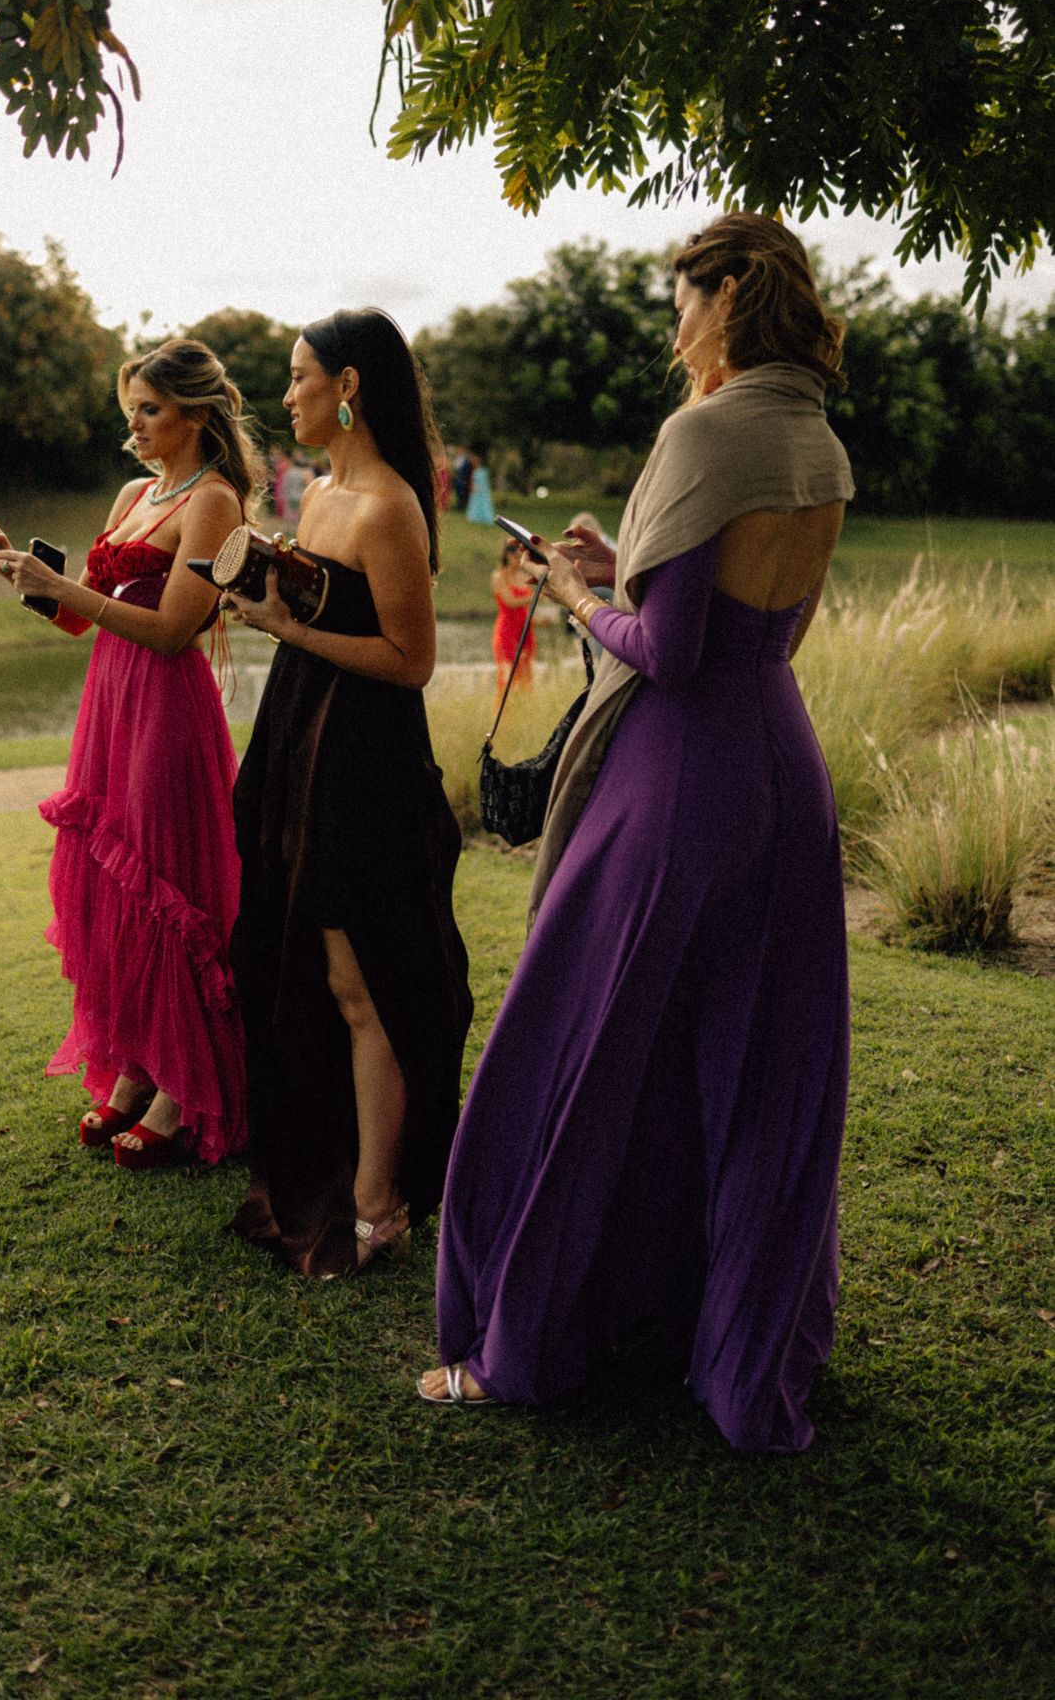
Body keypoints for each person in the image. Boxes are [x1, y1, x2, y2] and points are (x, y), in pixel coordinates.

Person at [420, 212, 855, 1454]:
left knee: (582, 1040)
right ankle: (713, 1332)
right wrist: (624, 575)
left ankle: (530, 1344)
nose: (675, 324)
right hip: (782, 763)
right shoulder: (816, 438)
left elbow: (663, 651)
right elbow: (750, 630)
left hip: (677, 778)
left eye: (682, 299)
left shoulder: (702, 429)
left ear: (727, 300)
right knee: (754, 1063)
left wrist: (573, 596)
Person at [0, 338, 262, 1170]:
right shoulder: (136, 492)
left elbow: (176, 630)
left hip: (165, 708)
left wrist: (66, 588)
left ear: (195, 414)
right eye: (129, 408)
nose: (133, 425)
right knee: (110, 882)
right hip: (109, 702)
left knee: (167, 879)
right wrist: (9, 566)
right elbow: (78, 616)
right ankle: (135, 1065)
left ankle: (185, 1085)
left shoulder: (213, 501)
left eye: (149, 409)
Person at [223, 307, 474, 1277]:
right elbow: (324, 607)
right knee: (306, 967)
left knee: (363, 981)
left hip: (363, 758)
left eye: (299, 377)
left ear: (350, 385)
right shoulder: (321, 492)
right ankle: (332, 1164)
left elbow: (411, 662)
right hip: (300, 731)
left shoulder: (388, 507)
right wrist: (271, 591)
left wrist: (288, 630)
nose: (287, 396)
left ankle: (381, 1198)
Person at [491, 537, 537, 693]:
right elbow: (510, 602)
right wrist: (535, 596)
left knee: (526, 675)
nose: (521, 562)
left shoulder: (524, 577)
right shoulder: (499, 577)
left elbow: (528, 608)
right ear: (509, 557)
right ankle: (505, 715)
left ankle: (524, 711)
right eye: (518, 558)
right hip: (507, 629)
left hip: (524, 628)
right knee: (508, 678)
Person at [464, 452, 495, 525]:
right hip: (476, 490)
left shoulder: (482, 471)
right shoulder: (475, 471)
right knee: (475, 503)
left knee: (483, 503)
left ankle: (483, 517)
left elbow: (483, 483)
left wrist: (477, 488)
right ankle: (475, 517)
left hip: (480, 490)